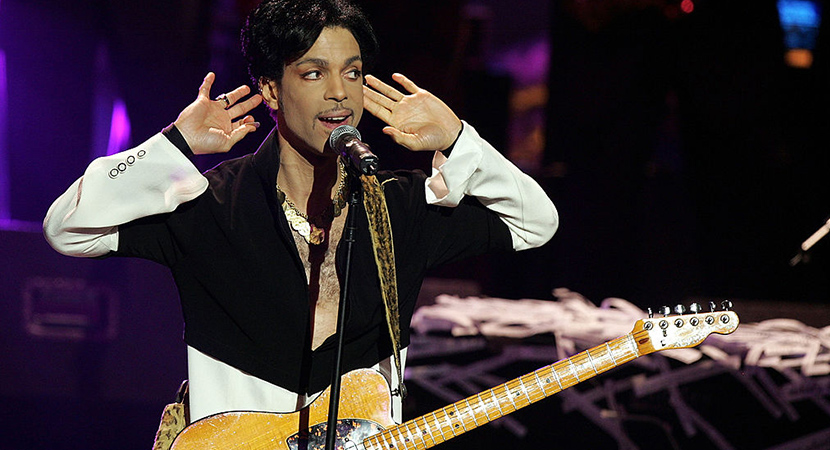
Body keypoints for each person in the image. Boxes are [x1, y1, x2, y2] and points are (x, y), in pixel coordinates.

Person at [43, 0, 558, 431]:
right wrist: (174, 146)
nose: (340, 92)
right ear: (269, 88)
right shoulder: (211, 206)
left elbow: (537, 222)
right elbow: (66, 227)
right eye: (314, 72)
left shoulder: (399, 209)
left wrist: (458, 140)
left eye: (352, 72)